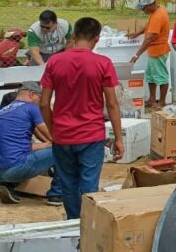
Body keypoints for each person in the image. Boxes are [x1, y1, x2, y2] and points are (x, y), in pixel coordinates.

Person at [41, 17, 123, 220]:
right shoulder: (103, 63)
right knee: (88, 184)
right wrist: (119, 138)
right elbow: (112, 103)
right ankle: (88, 225)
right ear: (96, 39)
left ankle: (72, 224)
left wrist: (53, 130)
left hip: (63, 135)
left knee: (68, 183)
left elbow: (43, 103)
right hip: (91, 135)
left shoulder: (55, 62)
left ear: (74, 36)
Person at [0, 82, 63, 206]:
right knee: (63, 149)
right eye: (40, 98)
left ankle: (6, 185)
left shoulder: (2, 111)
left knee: (17, 155)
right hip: (14, 169)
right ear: (32, 94)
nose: (41, 103)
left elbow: (18, 144)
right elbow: (49, 133)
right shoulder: (32, 108)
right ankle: (56, 194)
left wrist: (46, 144)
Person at [128, 0, 171, 108]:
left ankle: (161, 102)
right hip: (154, 51)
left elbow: (149, 39)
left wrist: (136, 56)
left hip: (158, 50)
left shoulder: (158, 16)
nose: (143, 10)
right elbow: (148, 25)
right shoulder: (157, 11)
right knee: (151, 76)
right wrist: (136, 33)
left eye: (144, 8)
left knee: (161, 77)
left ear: (151, 4)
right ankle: (152, 99)